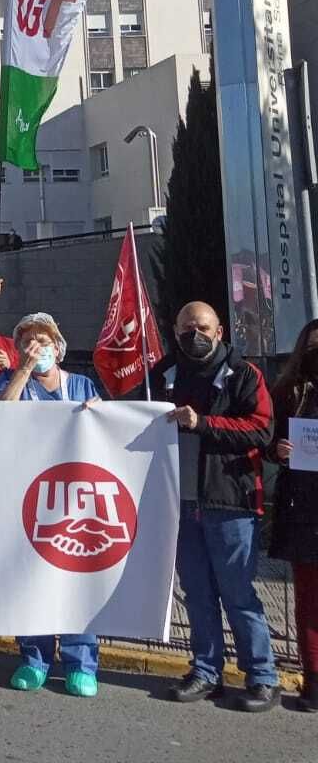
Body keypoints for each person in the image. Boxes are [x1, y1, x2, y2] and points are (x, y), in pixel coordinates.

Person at [155, 302, 279, 712]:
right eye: (187, 327)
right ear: (175, 332)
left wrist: (204, 422)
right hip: (180, 504)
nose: (196, 334)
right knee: (198, 594)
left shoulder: (244, 375)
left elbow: (261, 429)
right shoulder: (163, 375)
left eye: (203, 326)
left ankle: (262, 677)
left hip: (230, 502)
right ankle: (206, 671)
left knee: (238, 594)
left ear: (220, 330)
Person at [0, 312, 102, 696]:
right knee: (28, 578)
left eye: (45, 341)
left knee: (75, 579)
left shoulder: (81, 384)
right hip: (27, 496)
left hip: (74, 499)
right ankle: (34, 658)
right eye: (28, 342)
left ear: (59, 347)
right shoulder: (10, 382)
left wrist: (98, 415)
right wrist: (21, 371)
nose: (38, 348)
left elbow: (108, 429)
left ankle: (80, 661)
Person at [271, 318, 318, 712]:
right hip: (303, 507)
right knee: (308, 599)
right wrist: (279, 451)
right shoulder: (288, 392)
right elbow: (267, 441)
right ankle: (314, 680)